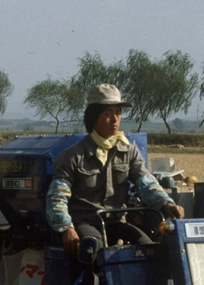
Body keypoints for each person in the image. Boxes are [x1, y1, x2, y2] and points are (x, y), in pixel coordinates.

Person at [46, 84, 185, 259]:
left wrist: (167, 203)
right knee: (94, 249)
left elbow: (146, 183)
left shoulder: (129, 151)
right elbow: (56, 198)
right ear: (93, 117)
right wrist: (67, 228)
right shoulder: (72, 156)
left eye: (118, 113)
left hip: (117, 221)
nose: (115, 119)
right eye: (107, 113)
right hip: (86, 221)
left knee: (149, 250)